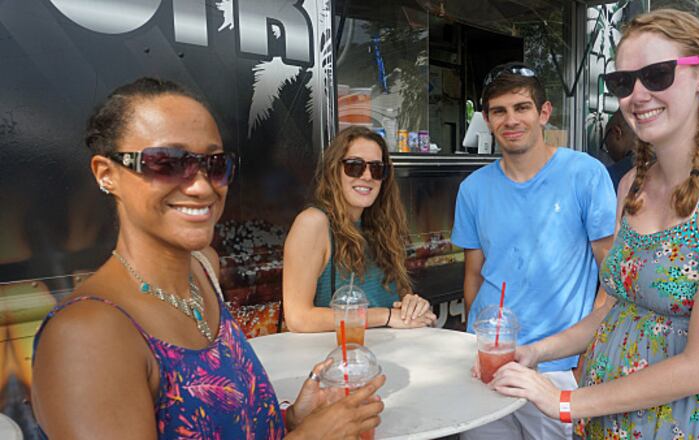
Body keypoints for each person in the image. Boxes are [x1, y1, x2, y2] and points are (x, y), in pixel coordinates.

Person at [31, 78, 385, 439]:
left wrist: (292, 418)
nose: (201, 186)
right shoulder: (86, 336)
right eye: (165, 163)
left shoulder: (203, 272)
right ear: (107, 175)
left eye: (214, 164)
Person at [486, 9, 699, 439]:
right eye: (623, 82)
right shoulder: (631, 183)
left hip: (680, 422)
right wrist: (535, 351)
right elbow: (615, 311)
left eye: (657, 74)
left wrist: (564, 402)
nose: (637, 95)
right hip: (606, 412)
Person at [452, 62, 616, 439]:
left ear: (543, 113)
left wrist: (586, 356)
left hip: (557, 363)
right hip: (489, 360)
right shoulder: (473, 189)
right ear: (488, 120)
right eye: (499, 111)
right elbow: (473, 277)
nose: (511, 120)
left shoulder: (585, 174)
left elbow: (611, 274)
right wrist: (473, 346)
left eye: (521, 107)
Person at [283, 126, 436, 332]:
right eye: (354, 166)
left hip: (385, 354)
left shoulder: (382, 226)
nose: (367, 176)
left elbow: (395, 300)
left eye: (376, 168)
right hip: (337, 357)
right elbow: (298, 318)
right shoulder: (313, 223)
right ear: (333, 170)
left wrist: (411, 306)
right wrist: (386, 316)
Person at [603, 109, 637, 190]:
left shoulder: (609, 178)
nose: (607, 151)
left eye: (605, 143)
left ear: (617, 132)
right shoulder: (664, 166)